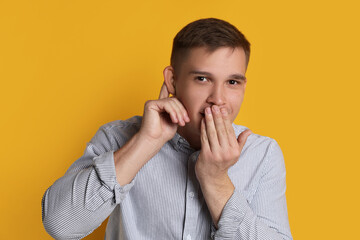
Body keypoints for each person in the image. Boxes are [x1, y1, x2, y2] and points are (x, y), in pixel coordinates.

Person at [42, 18, 292, 240]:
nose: (218, 98)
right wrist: (146, 142)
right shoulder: (119, 137)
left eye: (232, 82)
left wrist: (216, 181)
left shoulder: (263, 154)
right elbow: (60, 226)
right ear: (173, 80)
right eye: (202, 79)